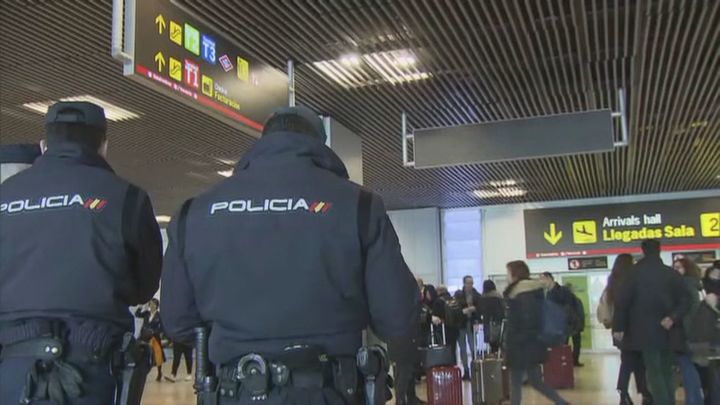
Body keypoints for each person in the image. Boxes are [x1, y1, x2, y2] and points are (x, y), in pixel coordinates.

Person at [160, 106, 420, 405]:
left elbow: (178, 321)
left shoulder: (195, 212)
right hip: (330, 389)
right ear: (319, 144)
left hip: (234, 389)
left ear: (264, 139)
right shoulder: (359, 206)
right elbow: (398, 318)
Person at [0, 102, 163, 404]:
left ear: (44, 145)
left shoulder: (5, 195)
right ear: (103, 145)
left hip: (12, 373)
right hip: (90, 371)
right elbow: (144, 286)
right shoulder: (127, 198)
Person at [613, 240, 691, 405]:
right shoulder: (671, 273)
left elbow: (623, 302)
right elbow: (686, 300)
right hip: (669, 330)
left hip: (643, 331)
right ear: (659, 250)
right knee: (666, 371)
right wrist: (673, 317)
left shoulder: (633, 274)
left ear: (643, 251)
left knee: (654, 372)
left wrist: (619, 327)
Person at [504, 261, 569, 405]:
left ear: (515, 274)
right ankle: (562, 403)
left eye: (508, 273)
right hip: (530, 346)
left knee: (516, 383)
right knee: (534, 382)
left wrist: (514, 340)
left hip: (523, 346)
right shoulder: (524, 293)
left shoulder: (523, 294)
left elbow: (528, 322)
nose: (507, 276)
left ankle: (562, 403)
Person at [605, 254, 652, 405]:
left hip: (619, 329)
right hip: (633, 328)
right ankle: (631, 392)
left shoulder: (613, 281)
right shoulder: (631, 281)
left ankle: (636, 392)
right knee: (634, 361)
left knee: (631, 361)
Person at [674, 257, 705, 405]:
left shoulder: (684, 286)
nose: (676, 271)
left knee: (687, 368)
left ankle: (693, 401)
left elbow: (688, 312)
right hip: (699, 334)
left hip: (687, 335)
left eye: (679, 267)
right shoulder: (698, 285)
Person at [689, 265, 720, 405]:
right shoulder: (703, 300)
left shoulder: (705, 300)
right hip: (707, 342)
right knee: (711, 380)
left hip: (707, 342)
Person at [455, 275, 482, 380]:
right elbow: (456, 308)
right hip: (461, 323)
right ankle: (466, 370)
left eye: (471, 283)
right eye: (468, 283)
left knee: (473, 347)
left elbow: (480, 308)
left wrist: (475, 310)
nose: (470, 285)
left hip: (471, 323)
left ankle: (474, 369)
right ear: (464, 283)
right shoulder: (459, 295)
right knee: (462, 348)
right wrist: (464, 310)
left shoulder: (477, 295)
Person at [135, 299, 166, 382]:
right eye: (150, 304)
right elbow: (137, 314)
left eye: (153, 304)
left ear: (156, 306)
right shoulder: (146, 314)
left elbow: (162, 327)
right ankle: (141, 372)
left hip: (154, 337)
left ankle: (159, 372)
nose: (152, 306)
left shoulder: (159, 316)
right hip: (144, 336)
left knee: (157, 355)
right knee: (142, 353)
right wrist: (141, 307)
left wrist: (155, 332)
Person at [479, 280, 505, 353]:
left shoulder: (482, 298)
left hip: (487, 323)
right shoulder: (498, 296)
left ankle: (493, 358)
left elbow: (480, 310)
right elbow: (503, 310)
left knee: (492, 344)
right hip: (498, 322)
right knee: (500, 342)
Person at [564, 283, 586, 367]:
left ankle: (567, 361)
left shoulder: (566, 301)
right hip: (574, 325)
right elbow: (580, 314)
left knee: (565, 345)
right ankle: (574, 361)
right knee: (576, 345)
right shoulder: (576, 300)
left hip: (569, 326)